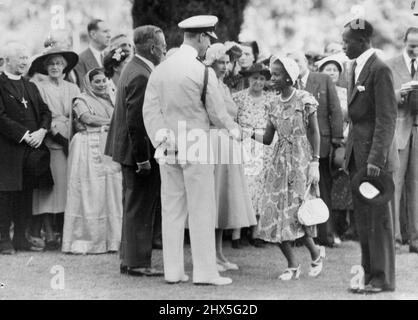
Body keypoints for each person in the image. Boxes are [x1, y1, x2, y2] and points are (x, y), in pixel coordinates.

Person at [143, 15, 240, 286]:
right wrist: (234, 130)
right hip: (196, 141)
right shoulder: (202, 71)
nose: (208, 45)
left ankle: (173, 272)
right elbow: (217, 113)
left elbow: (149, 109)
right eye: (209, 39)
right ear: (201, 37)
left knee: (172, 208)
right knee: (201, 208)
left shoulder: (160, 69)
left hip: (167, 143)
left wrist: (161, 134)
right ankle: (206, 272)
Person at [253, 56, 325, 281]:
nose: (271, 78)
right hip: (278, 164)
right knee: (275, 213)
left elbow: (314, 133)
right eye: (271, 74)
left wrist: (315, 162)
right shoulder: (273, 103)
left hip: (301, 161)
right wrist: (245, 132)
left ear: (288, 77)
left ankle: (315, 254)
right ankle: (292, 265)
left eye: (275, 75)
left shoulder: (305, 99)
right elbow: (267, 138)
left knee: (297, 214)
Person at [105, 26, 166, 277]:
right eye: (162, 46)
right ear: (152, 48)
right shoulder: (141, 74)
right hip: (137, 152)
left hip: (128, 150)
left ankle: (129, 259)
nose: (164, 50)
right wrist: (143, 159)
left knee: (133, 205)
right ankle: (137, 263)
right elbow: (136, 121)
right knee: (139, 206)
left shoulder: (134, 68)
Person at [342, 19, 398, 293]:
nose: (343, 46)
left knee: (377, 219)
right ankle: (368, 276)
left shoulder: (380, 69)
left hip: (371, 160)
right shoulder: (355, 67)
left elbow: (387, 119)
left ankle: (382, 278)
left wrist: (376, 159)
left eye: (347, 41)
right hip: (357, 156)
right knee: (364, 221)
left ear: (362, 41)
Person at [204, 43, 256, 271]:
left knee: (224, 198)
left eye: (227, 62)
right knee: (213, 198)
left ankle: (219, 253)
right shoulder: (207, 84)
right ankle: (210, 255)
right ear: (211, 62)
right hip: (213, 141)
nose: (225, 66)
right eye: (221, 62)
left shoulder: (223, 86)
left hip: (227, 142)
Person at [62, 69, 122, 255]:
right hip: (86, 146)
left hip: (106, 147)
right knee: (89, 191)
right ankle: (87, 240)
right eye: (97, 81)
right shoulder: (81, 100)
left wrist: (110, 123)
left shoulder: (110, 99)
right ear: (89, 83)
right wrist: (113, 120)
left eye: (104, 80)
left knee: (110, 192)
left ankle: (111, 240)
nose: (101, 84)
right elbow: (86, 118)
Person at [0, 43, 52, 254]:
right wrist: (24, 135)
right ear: (6, 60)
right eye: (20, 57)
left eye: (25, 57)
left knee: (25, 194)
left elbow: (46, 112)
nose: (24, 61)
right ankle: (3, 240)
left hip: (31, 150)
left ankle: (21, 238)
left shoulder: (30, 85)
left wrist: (42, 131)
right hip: (7, 150)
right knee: (5, 196)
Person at [288, 51, 344, 248]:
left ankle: (326, 235)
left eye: (297, 60)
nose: (294, 64)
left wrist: (337, 139)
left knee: (323, 189)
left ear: (306, 63)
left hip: (323, 143)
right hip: (296, 145)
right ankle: (299, 236)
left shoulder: (322, 79)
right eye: (291, 61)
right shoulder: (288, 83)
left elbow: (335, 109)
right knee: (298, 190)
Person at [29, 47, 80, 251]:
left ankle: (66, 233)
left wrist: (74, 137)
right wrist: (57, 136)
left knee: (68, 189)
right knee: (50, 191)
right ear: (45, 67)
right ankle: (49, 234)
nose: (55, 67)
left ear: (65, 66)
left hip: (72, 138)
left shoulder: (73, 88)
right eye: (51, 64)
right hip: (51, 142)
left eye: (59, 63)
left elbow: (78, 113)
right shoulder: (39, 86)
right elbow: (41, 114)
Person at [233, 63, 276, 249]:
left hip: (264, 144)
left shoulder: (271, 99)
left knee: (261, 187)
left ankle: (256, 231)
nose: (258, 82)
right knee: (243, 185)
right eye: (254, 78)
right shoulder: (237, 98)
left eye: (261, 78)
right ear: (247, 79)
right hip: (242, 143)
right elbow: (232, 122)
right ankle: (237, 231)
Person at [386, 27, 418, 253]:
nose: (416, 50)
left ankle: (415, 239)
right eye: (412, 46)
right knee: (395, 186)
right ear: (403, 42)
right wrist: (401, 94)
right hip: (399, 130)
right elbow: (384, 96)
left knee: (416, 188)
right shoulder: (390, 64)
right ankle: (395, 238)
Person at [317, 54, 354, 243]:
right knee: (323, 187)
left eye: (334, 69)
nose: (331, 73)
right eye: (327, 69)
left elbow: (350, 116)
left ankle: (339, 230)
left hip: (342, 143)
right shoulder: (317, 90)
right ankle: (324, 230)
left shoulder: (345, 92)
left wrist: (343, 136)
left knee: (340, 189)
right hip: (323, 142)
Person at [74, 19, 112, 90]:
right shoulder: (81, 60)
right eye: (105, 32)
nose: (109, 35)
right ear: (93, 35)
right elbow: (83, 89)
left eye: (109, 32)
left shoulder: (110, 56)